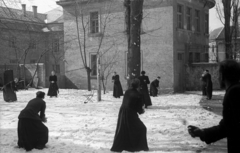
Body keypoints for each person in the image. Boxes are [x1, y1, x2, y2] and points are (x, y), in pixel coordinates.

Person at [188, 59, 240, 153]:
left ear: (224, 76)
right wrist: (203, 133)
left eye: (219, 74)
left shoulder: (234, 92)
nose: (218, 78)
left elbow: (228, 127)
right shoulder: (235, 89)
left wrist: (203, 133)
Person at [111, 79, 149, 152]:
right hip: (130, 113)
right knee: (142, 128)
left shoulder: (127, 92)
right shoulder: (138, 94)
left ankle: (125, 145)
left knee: (124, 129)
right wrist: (142, 110)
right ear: (138, 86)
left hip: (122, 112)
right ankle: (139, 146)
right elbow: (139, 109)